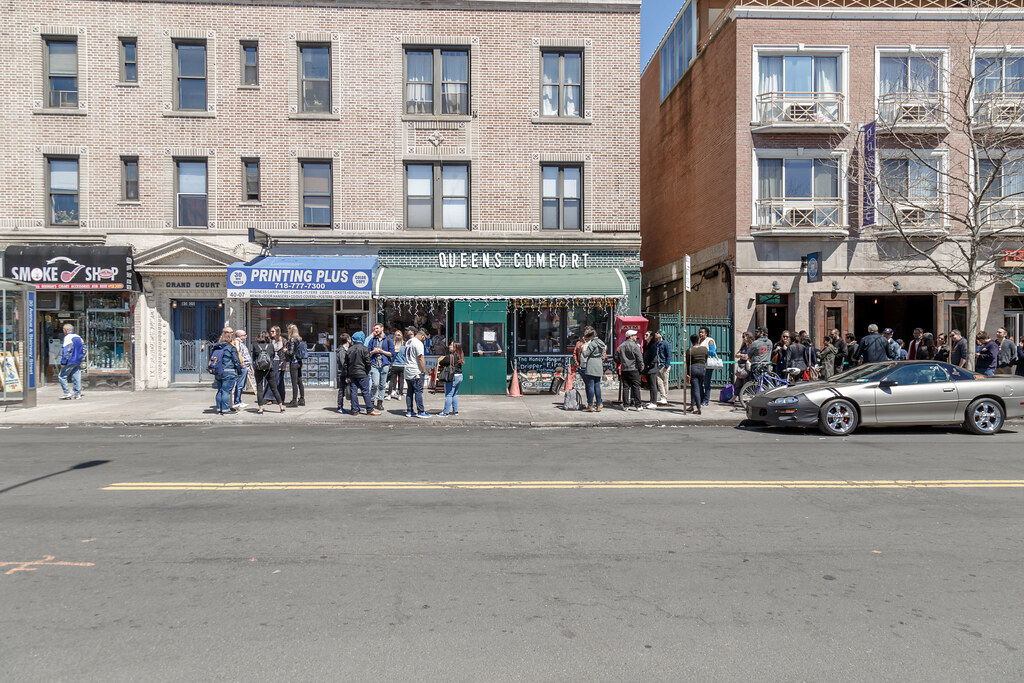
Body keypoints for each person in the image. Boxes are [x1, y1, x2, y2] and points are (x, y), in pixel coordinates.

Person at [209, 330, 242, 416]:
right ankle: (225, 409)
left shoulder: (216, 347)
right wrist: (239, 372)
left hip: (218, 371)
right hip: (229, 371)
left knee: (220, 390)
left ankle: (219, 408)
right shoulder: (231, 348)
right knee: (226, 391)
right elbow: (236, 361)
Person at [251, 330, 285, 414]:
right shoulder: (270, 345)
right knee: (274, 388)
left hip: (259, 369)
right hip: (269, 369)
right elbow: (272, 356)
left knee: (259, 388)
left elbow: (254, 357)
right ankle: (281, 407)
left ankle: (260, 408)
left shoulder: (255, 346)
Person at [346, 331, 378, 415]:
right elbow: (368, 362)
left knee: (354, 391)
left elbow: (346, 364)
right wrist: (366, 371)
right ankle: (370, 409)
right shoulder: (364, 349)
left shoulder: (350, 349)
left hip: (352, 373)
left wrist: (348, 375)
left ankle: (355, 410)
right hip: (362, 372)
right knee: (365, 392)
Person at [367, 322, 394, 410]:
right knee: (375, 384)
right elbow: (368, 353)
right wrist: (373, 352)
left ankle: (380, 402)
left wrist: (382, 351)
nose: (375, 330)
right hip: (374, 364)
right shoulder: (373, 340)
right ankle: (371, 400)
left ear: (382, 328)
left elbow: (392, 353)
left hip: (384, 365)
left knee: (382, 385)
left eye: (377, 328)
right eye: (375, 329)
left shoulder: (388, 340)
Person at [403, 326, 430, 418]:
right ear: (422, 335)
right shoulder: (418, 343)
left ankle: (409, 411)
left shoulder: (408, 342)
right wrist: (423, 370)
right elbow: (420, 358)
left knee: (409, 391)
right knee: (418, 391)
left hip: (407, 369)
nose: (424, 340)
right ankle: (420, 411)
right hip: (415, 371)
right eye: (425, 338)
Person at [615, 329, 644, 410]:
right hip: (634, 369)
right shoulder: (635, 346)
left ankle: (626, 405)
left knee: (625, 387)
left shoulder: (621, 346)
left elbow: (617, 358)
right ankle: (638, 405)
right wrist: (641, 368)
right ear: (631, 336)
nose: (636, 337)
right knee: (636, 387)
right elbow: (639, 358)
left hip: (624, 369)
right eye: (635, 335)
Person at [580, 326, 607, 412]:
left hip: (591, 363)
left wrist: (583, 348)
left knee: (590, 385)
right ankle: (599, 405)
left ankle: (590, 405)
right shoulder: (601, 343)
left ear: (591, 336)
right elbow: (603, 356)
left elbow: (585, 354)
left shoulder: (592, 343)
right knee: (597, 386)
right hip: (598, 364)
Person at [58, 323, 85, 400]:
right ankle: (77, 394)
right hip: (78, 360)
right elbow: (84, 349)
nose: (63, 331)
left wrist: (63, 362)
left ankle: (67, 393)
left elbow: (66, 351)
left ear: (66, 330)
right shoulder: (79, 337)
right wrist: (81, 358)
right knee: (76, 377)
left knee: (62, 376)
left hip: (70, 361)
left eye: (63, 329)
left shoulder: (67, 338)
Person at [437, 341, 465, 416]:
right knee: (454, 394)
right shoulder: (460, 355)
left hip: (452, 376)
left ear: (455, 347)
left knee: (449, 395)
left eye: (451, 345)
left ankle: (445, 412)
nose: (449, 346)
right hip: (460, 376)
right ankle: (455, 411)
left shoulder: (451, 356)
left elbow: (441, 362)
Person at [685, 334, 708, 415]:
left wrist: (688, 374)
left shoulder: (690, 350)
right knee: (696, 387)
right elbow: (705, 359)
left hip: (693, 369)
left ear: (691, 341)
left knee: (696, 389)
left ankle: (698, 408)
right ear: (698, 340)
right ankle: (692, 405)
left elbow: (688, 363)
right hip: (702, 369)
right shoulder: (704, 349)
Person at [263, 326, 287, 404]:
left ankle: (280, 398)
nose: (271, 333)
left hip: (279, 361)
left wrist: (283, 363)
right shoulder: (269, 340)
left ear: (277, 332)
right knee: (269, 379)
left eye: (273, 331)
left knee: (279, 380)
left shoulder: (283, 340)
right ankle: (269, 398)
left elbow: (284, 353)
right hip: (270, 361)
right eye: (270, 331)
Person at [231, 329, 251, 410]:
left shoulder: (241, 343)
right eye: (244, 335)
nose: (246, 336)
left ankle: (238, 400)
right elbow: (237, 352)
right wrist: (241, 364)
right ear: (239, 336)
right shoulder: (237, 342)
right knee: (240, 384)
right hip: (242, 366)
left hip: (245, 366)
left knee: (241, 385)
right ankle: (237, 402)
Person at [698, 326, 716, 407]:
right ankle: (701, 398)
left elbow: (712, 352)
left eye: (702, 332)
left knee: (706, 383)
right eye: (700, 332)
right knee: (699, 382)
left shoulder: (710, 341)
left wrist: (703, 351)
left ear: (706, 333)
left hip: (707, 365)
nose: (700, 334)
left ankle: (706, 400)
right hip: (700, 364)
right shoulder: (699, 340)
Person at [642, 330, 660, 409]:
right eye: (645, 335)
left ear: (651, 337)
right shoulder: (646, 345)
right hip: (647, 368)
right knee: (650, 385)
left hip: (651, 368)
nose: (645, 336)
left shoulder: (652, 346)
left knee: (653, 385)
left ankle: (654, 402)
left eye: (647, 335)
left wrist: (650, 365)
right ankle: (651, 401)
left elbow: (654, 357)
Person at [335, 333, 351, 414]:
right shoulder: (341, 351)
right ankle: (340, 407)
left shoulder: (347, 349)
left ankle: (354, 406)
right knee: (341, 390)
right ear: (347, 339)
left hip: (346, 373)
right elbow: (343, 363)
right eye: (350, 338)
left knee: (350, 390)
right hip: (342, 373)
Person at [655, 331, 672, 405]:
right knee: (659, 383)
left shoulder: (665, 343)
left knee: (665, 382)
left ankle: (665, 397)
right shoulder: (657, 344)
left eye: (657, 333)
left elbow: (669, 355)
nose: (656, 334)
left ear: (661, 335)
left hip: (664, 365)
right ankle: (662, 396)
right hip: (658, 365)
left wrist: (666, 365)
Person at [388, 330, 405, 399]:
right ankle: (400, 394)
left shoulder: (393, 347)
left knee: (392, 380)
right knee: (401, 380)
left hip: (394, 365)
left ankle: (390, 394)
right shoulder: (404, 347)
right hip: (402, 365)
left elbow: (391, 357)